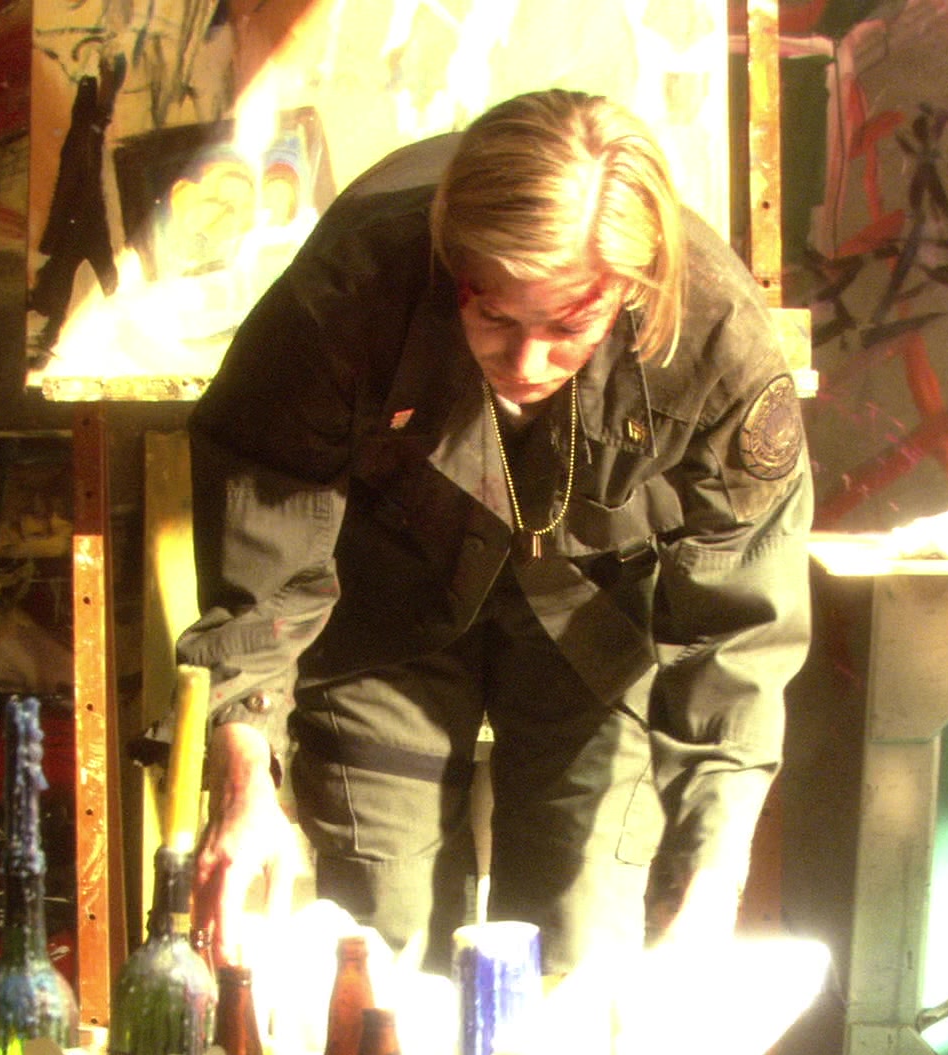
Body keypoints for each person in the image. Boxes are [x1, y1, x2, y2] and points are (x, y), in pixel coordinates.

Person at [176, 89, 811, 975]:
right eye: (496, 317)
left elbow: (740, 628)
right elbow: (262, 553)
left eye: (570, 326)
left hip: (598, 618)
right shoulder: (349, 288)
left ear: (631, 288)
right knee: (380, 946)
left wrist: (713, 876)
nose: (526, 363)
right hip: (387, 599)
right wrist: (245, 776)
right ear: (454, 266)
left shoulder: (715, 338)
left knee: (579, 945)